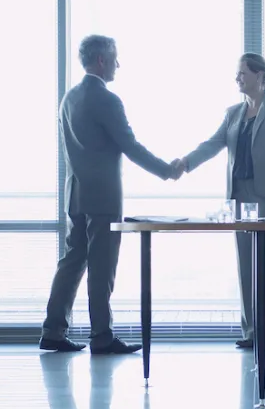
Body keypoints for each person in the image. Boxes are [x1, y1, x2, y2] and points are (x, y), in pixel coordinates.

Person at [40, 34, 178, 355]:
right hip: (102, 197)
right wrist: (165, 170)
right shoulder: (107, 99)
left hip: (74, 193)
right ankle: (101, 336)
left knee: (72, 262)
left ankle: (53, 330)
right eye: (115, 58)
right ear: (101, 60)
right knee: (102, 266)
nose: (118, 64)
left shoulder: (69, 98)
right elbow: (128, 145)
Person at [176, 53, 265, 348]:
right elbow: (214, 143)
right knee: (246, 265)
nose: (238, 78)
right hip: (240, 195)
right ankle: (252, 332)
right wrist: (186, 162)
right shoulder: (233, 112)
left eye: (243, 73)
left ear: (261, 76)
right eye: (237, 74)